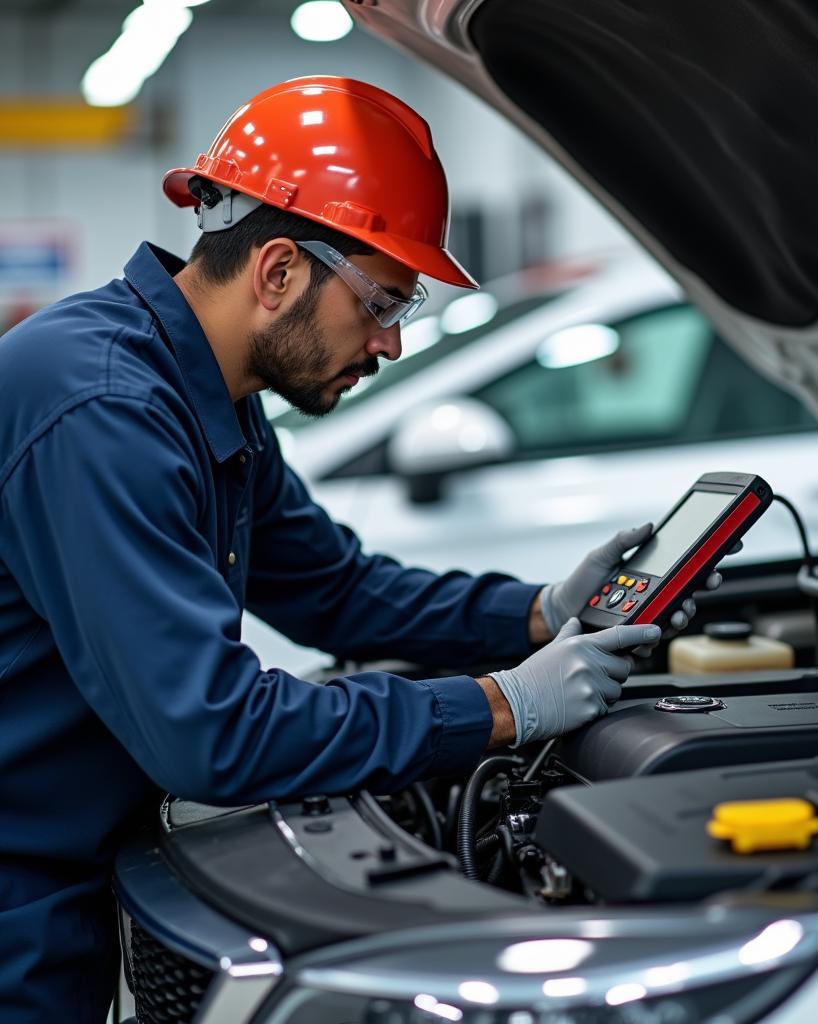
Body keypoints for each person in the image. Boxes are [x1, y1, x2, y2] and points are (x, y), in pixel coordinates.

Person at [0, 76, 710, 1021]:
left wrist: (536, 611)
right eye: (382, 303)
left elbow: (333, 589)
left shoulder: (206, 393)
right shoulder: (105, 411)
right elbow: (213, 733)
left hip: (61, 862)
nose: (388, 344)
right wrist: (500, 709)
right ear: (280, 270)